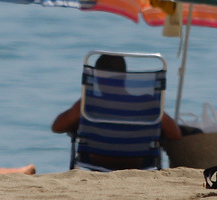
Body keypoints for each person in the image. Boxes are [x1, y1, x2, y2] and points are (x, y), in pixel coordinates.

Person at [51, 53, 182, 169]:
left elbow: (57, 127)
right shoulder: (147, 103)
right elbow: (175, 135)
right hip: (137, 162)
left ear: (96, 77)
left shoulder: (89, 103)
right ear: (125, 76)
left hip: (97, 160)